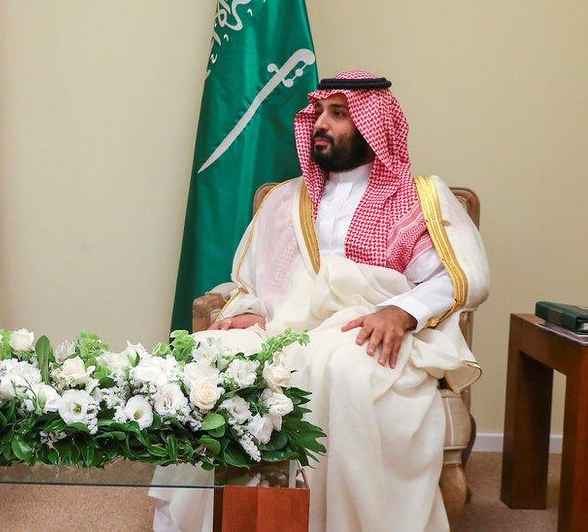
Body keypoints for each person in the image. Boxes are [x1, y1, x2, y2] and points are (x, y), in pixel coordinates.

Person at [152, 71, 489, 531]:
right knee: (216, 357)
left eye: (339, 113)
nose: (320, 124)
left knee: (345, 370)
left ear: (374, 126)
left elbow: (458, 278)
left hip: (368, 327)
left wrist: (400, 311)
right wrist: (252, 308)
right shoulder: (287, 199)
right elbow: (258, 281)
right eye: (318, 113)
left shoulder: (419, 197)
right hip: (285, 328)